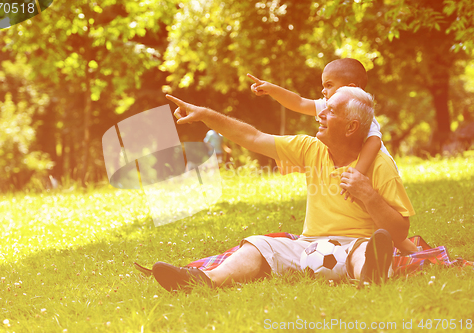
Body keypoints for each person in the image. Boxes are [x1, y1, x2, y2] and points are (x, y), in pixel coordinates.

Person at [153, 86, 416, 292]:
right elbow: (253, 137)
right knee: (259, 245)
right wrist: (206, 116)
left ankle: (371, 273)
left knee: (363, 252)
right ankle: (203, 280)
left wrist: (369, 195)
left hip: (356, 245)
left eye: (331, 110)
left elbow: (400, 231)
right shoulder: (310, 148)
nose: (320, 114)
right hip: (309, 248)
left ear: (351, 127)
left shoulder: (381, 166)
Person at [248, 58, 417, 255]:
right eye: (323, 85)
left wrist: (357, 174)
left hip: (370, 169)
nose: (323, 91)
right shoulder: (328, 106)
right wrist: (272, 89)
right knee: (367, 215)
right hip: (354, 170)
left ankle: (410, 249)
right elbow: (299, 102)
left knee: (374, 214)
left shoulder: (360, 113)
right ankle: (406, 248)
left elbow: (374, 143)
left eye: (329, 85)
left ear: (350, 87)